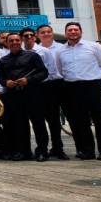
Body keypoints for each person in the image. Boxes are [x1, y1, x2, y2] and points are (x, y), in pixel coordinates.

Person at [57, 21, 101, 160]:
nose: (73, 32)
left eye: (76, 29)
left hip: (93, 86)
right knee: (80, 121)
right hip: (72, 88)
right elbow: (60, 70)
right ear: (66, 33)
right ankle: (88, 151)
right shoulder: (61, 51)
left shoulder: (94, 46)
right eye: (70, 30)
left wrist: (94, 77)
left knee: (100, 119)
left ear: (81, 31)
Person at [0, 32, 49, 161]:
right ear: (7, 43)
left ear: (20, 41)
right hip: (14, 96)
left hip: (32, 94)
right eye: (11, 41)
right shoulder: (3, 60)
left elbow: (44, 72)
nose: (14, 42)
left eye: (16, 40)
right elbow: (0, 77)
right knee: (20, 125)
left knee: (38, 124)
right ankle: (24, 151)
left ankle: (42, 151)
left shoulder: (32, 56)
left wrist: (29, 80)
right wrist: (6, 82)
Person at [25, 27, 68, 160]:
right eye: (25, 36)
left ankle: (57, 148)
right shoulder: (21, 53)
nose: (28, 38)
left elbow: (52, 70)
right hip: (31, 90)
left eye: (30, 35)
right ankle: (42, 150)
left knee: (53, 121)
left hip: (47, 87)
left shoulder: (44, 51)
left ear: (35, 37)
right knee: (38, 122)